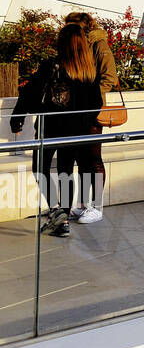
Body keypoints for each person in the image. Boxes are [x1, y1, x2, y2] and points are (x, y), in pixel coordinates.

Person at [9, 24, 105, 237]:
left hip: (50, 127)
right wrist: (82, 120)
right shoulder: (89, 71)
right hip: (78, 130)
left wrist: (18, 118)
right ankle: (62, 216)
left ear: (64, 43)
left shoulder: (52, 66)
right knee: (65, 171)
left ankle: (57, 212)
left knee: (40, 168)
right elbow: (96, 103)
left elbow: (29, 93)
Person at [63, 12, 119, 223]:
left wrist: (90, 97)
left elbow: (110, 77)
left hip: (93, 111)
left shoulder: (98, 45)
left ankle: (96, 207)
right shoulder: (78, 45)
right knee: (82, 159)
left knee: (93, 157)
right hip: (76, 111)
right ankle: (83, 205)